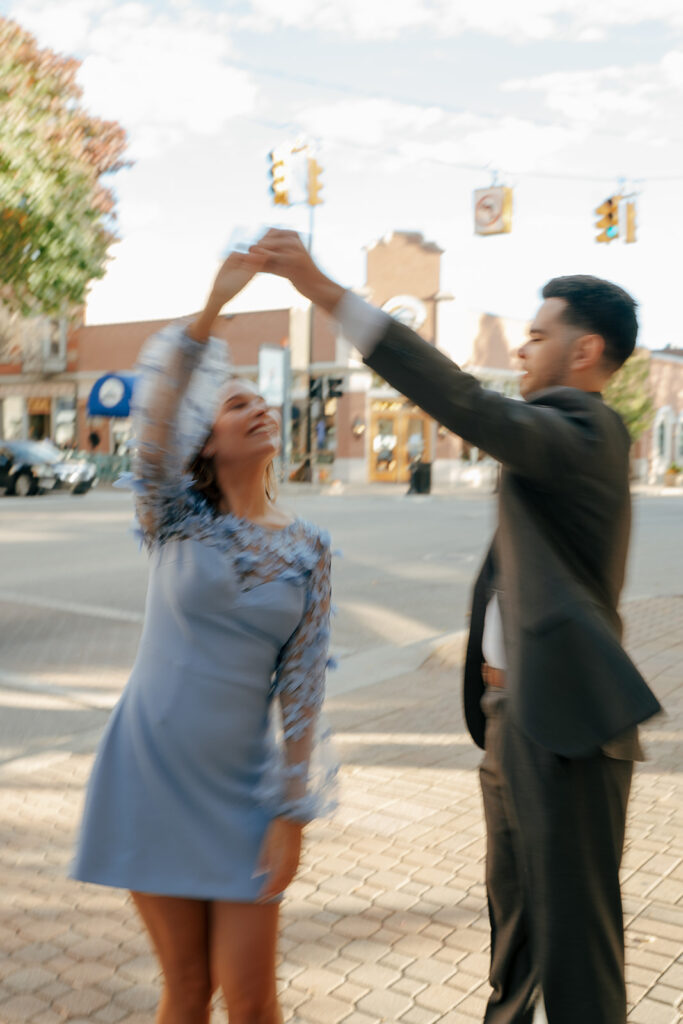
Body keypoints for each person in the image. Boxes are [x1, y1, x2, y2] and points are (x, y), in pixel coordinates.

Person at [247, 229, 661, 1024]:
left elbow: (464, 402)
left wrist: (326, 292)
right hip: (515, 717)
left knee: (577, 956)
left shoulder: (585, 431)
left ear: (586, 351)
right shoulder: (554, 437)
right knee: (516, 941)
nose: (526, 347)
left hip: (568, 728)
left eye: (539, 335)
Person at [72, 251, 337, 1024]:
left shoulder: (309, 547)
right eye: (234, 404)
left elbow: (305, 686)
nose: (255, 407)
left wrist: (292, 810)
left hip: (245, 793)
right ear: (206, 442)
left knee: (253, 1001)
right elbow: (155, 414)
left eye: (262, 401)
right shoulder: (171, 516)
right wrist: (214, 306)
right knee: (187, 989)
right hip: (148, 773)